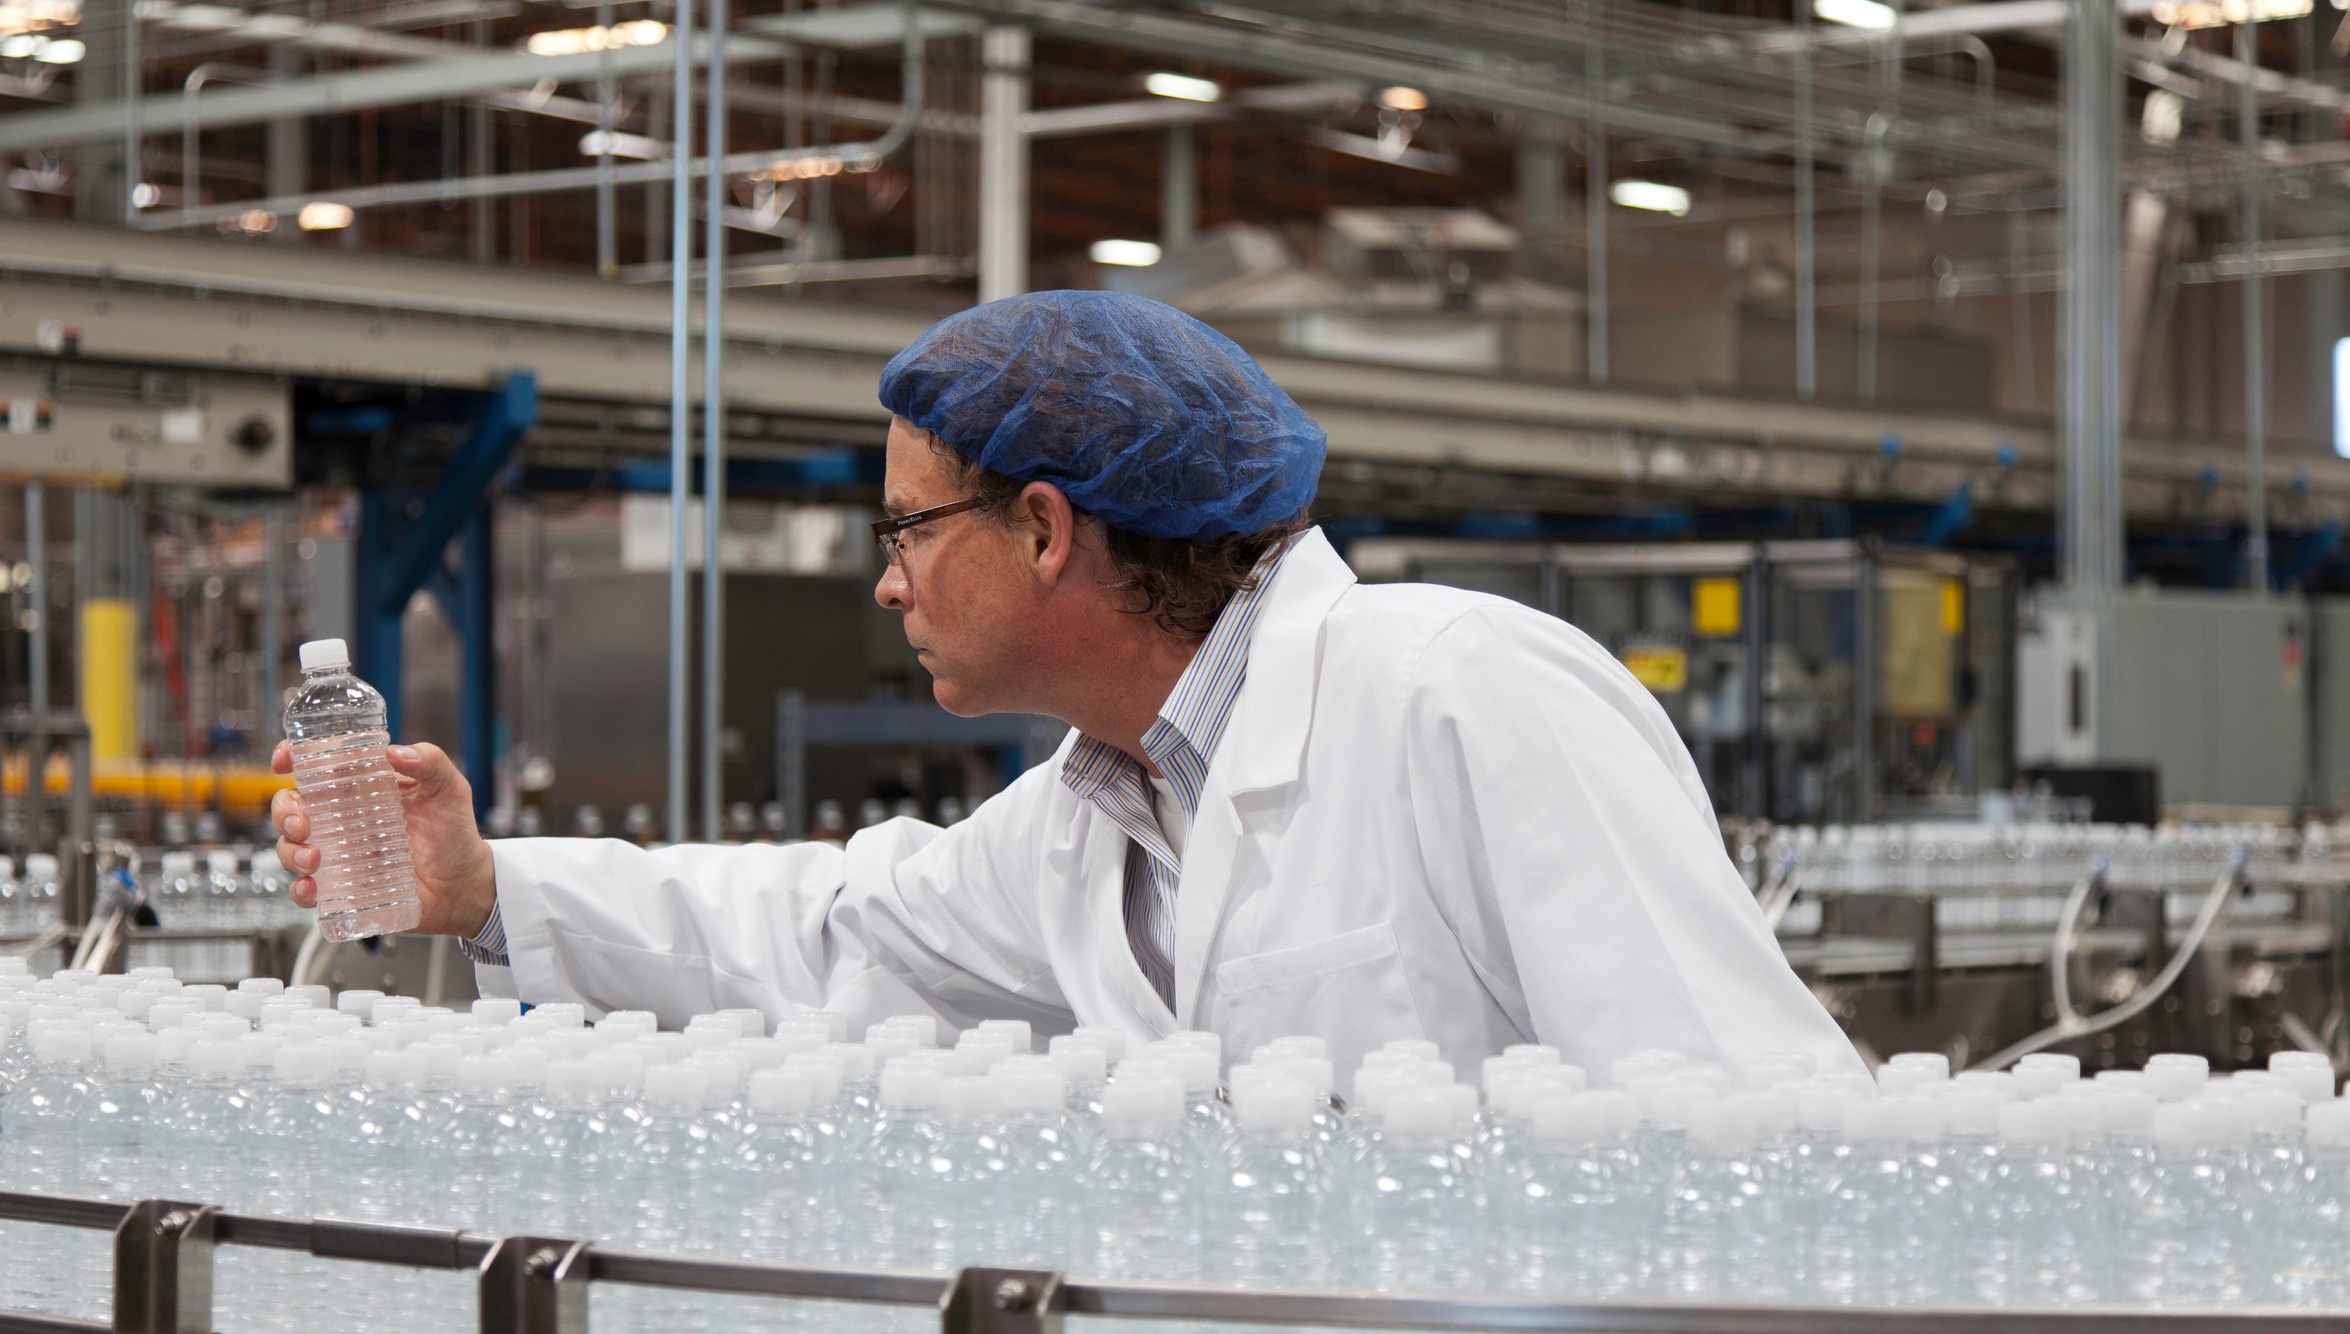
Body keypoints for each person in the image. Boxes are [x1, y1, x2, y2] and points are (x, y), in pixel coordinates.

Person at [273, 290, 1860, 1083]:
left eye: (907, 527)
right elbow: (827, 936)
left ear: (1043, 528)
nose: (886, 581)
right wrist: (483, 888)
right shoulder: (1095, 808)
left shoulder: (1457, 693)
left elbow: (1739, 1124)